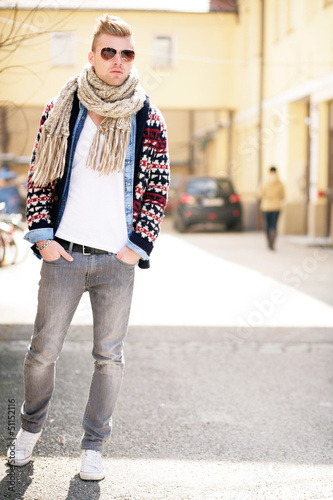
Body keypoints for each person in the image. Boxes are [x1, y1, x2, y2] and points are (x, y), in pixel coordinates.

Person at [7, 14, 169, 481]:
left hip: (116, 260)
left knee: (109, 357)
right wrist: (44, 238)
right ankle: (29, 430)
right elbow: (40, 172)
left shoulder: (146, 115)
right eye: (109, 52)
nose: (119, 61)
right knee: (42, 352)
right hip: (66, 255)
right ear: (93, 56)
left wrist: (137, 246)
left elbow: (156, 187)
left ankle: (94, 446)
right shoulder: (63, 106)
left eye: (128, 53)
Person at [259, 166, 285, 250]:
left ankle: (268, 243)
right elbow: (283, 196)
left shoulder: (264, 181)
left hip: (266, 206)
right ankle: (272, 243)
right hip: (276, 206)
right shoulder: (280, 182)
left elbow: (260, 194)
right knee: (274, 225)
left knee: (267, 225)